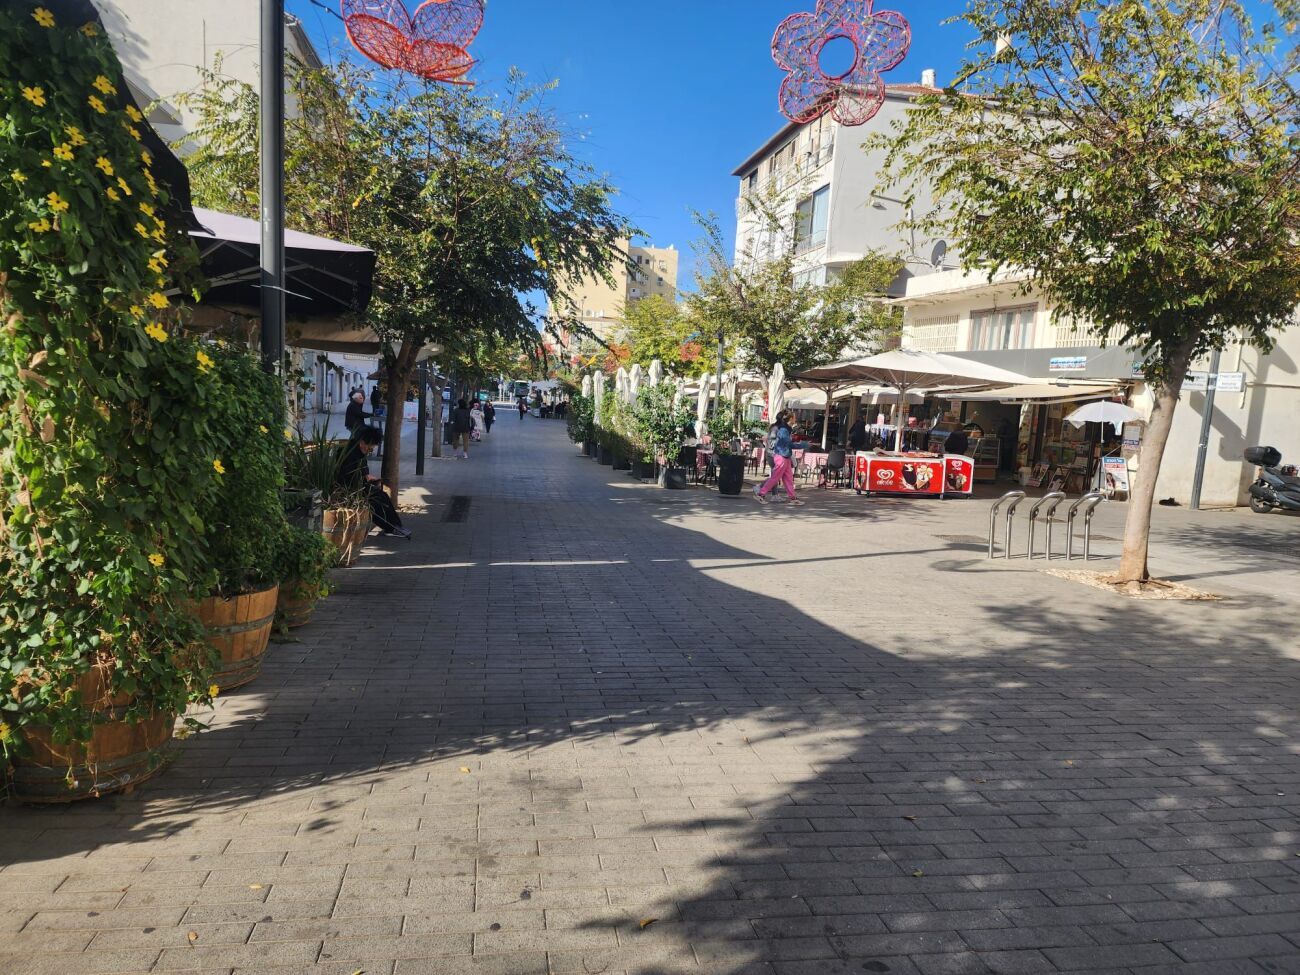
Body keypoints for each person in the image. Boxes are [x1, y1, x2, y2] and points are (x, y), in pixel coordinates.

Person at [338, 427, 410, 539]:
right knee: (375, 500)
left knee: (383, 496)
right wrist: (366, 480)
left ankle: (396, 525)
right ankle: (390, 527)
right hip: (348, 488)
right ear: (362, 442)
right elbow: (348, 476)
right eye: (369, 448)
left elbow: (363, 471)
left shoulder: (359, 450)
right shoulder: (350, 453)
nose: (369, 450)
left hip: (358, 484)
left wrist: (369, 478)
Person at [754, 411, 803, 506]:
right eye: (794, 417)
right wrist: (802, 445)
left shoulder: (786, 429)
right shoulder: (783, 429)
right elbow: (784, 443)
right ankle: (761, 494)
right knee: (775, 477)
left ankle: (792, 498)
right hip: (780, 456)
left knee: (788, 478)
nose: (796, 418)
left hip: (785, 456)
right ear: (790, 418)